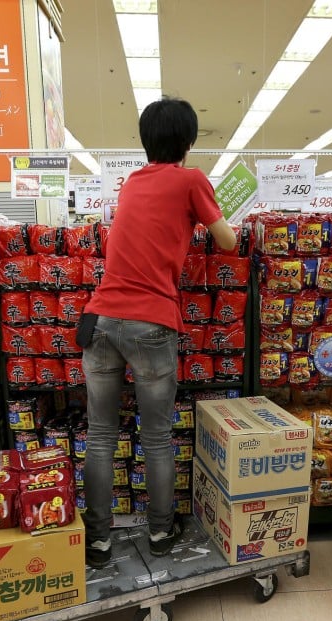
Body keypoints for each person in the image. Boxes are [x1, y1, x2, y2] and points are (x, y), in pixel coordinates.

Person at [79, 96, 237, 568]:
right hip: (151, 321)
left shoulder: (132, 182)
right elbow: (226, 241)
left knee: (101, 435)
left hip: (101, 318)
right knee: (157, 438)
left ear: (145, 141)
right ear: (188, 142)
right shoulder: (192, 179)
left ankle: (99, 541)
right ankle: (161, 532)